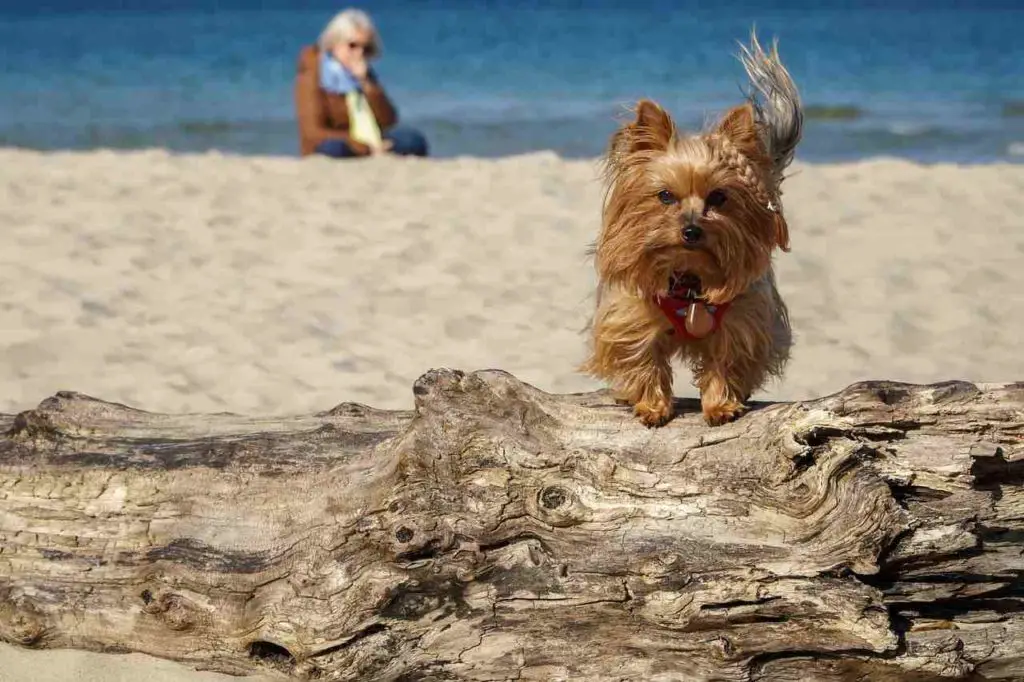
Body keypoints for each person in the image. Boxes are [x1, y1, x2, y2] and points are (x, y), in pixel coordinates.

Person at [294, 9, 428, 158]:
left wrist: (367, 85)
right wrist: (364, 146)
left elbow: (389, 120)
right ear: (333, 43)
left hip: (372, 141)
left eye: (366, 48)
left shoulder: (364, 73)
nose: (359, 54)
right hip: (340, 143)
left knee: (412, 140)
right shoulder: (312, 74)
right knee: (333, 149)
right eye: (352, 46)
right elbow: (312, 132)